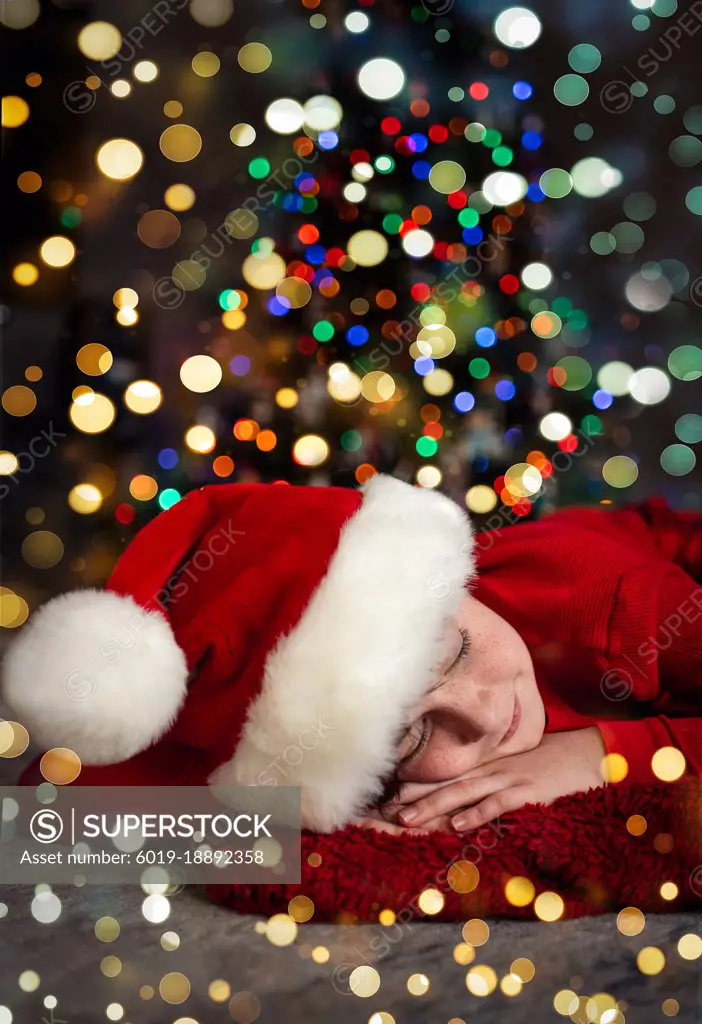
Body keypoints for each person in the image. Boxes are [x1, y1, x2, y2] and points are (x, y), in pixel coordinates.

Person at [3, 476, 700, 835]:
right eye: (408, 735)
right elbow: (47, 815)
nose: (483, 713)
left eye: (452, 649)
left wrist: (611, 753)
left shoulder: (612, 604)